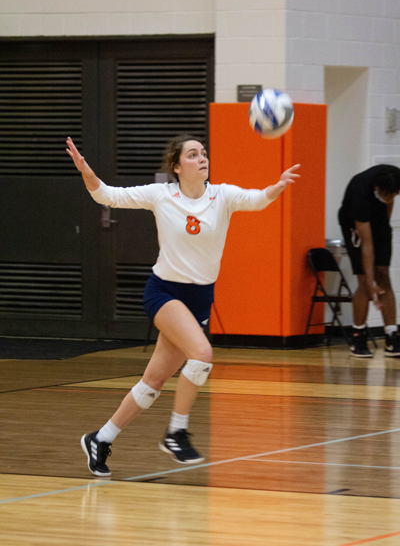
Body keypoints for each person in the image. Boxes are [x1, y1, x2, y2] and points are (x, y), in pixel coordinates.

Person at [66, 134, 300, 477]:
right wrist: (86, 169)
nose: (202, 158)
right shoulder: (162, 195)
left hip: (200, 298)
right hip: (165, 292)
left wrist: (277, 186)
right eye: (193, 154)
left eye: (203, 153)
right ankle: (176, 431)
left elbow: (258, 199)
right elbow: (106, 195)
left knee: (152, 384)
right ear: (177, 167)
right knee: (202, 354)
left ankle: (100, 438)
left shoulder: (222, 195)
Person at [338, 164, 400, 358]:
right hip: (354, 224)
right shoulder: (360, 191)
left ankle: (392, 335)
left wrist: (384, 228)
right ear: (376, 188)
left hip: (378, 220)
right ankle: (358, 335)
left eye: (394, 195)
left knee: (384, 277)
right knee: (365, 282)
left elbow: (389, 200)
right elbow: (367, 246)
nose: (390, 199)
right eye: (386, 194)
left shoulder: (393, 177)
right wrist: (371, 284)